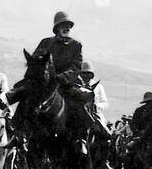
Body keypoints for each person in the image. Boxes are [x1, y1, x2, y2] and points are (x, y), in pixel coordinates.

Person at [33, 11, 109, 139]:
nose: (67, 28)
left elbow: (76, 67)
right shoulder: (46, 43)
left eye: (69, 25)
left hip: (66, 85)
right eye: (64, 25)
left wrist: (60, 77)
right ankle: (18, 136)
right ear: (57, 28)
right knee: (23, 96)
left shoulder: (76, 45)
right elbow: (36, 61)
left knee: (81, 105)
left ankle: (82, 139)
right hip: (45, 84)